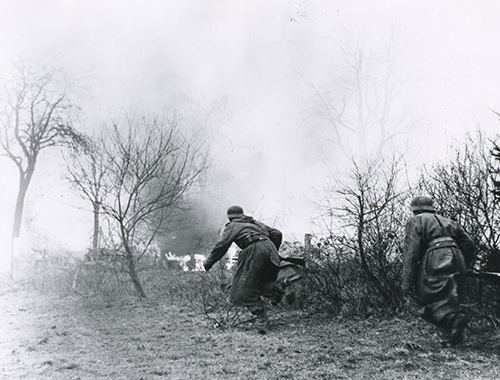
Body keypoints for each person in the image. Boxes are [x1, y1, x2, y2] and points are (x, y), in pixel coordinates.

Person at [402, 195, 475, 346]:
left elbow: (411, 253)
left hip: (436, 258)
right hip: (456, 256)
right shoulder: (448, 221)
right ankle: (452, 338)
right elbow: (469, 243)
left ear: (414, 210)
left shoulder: (416, 220)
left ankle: (454, 319)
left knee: (425, 295)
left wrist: (407, 283)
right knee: (451, 296)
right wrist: (464, 264)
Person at [203, 205, 285, 326]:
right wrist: (272, 251)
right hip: (270, 249)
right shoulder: (255, 223)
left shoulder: (232, 226)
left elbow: (221, 246)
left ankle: (261, 318)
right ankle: (276, 289)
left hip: (254, 250)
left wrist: (208, 263)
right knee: (258, 282)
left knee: (242, 289)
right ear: (242, 215)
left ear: (230, 218)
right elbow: (277, 234)